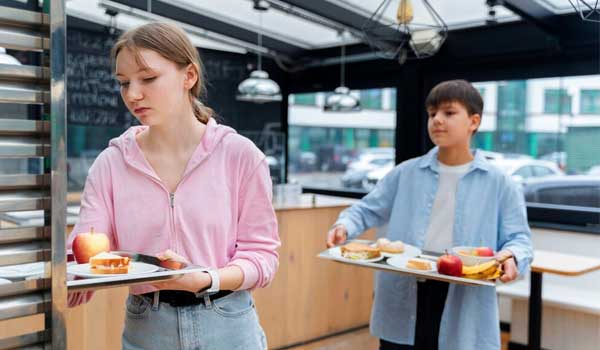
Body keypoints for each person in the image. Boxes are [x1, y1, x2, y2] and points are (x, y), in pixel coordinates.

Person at [67, 22, 280, 350]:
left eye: (148, 78)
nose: (133, 94)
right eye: (124, 83)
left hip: (228, 323)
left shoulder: (241, 156)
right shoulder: (110, 164)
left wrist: (207, 278)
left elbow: (262, 256)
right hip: (148, 326)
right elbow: (86, 245)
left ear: (189, 76)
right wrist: (76, 274)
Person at [326, 80, 533, 350]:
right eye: (432, 113)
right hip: (405, 286)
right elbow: (367, 209)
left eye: (448, 113)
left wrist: (513, 256)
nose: (437, 120)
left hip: (463, 294)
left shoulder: (499, 182)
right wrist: (345, 225)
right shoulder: (406, 172)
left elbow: (519, 239)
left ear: (474, 121)